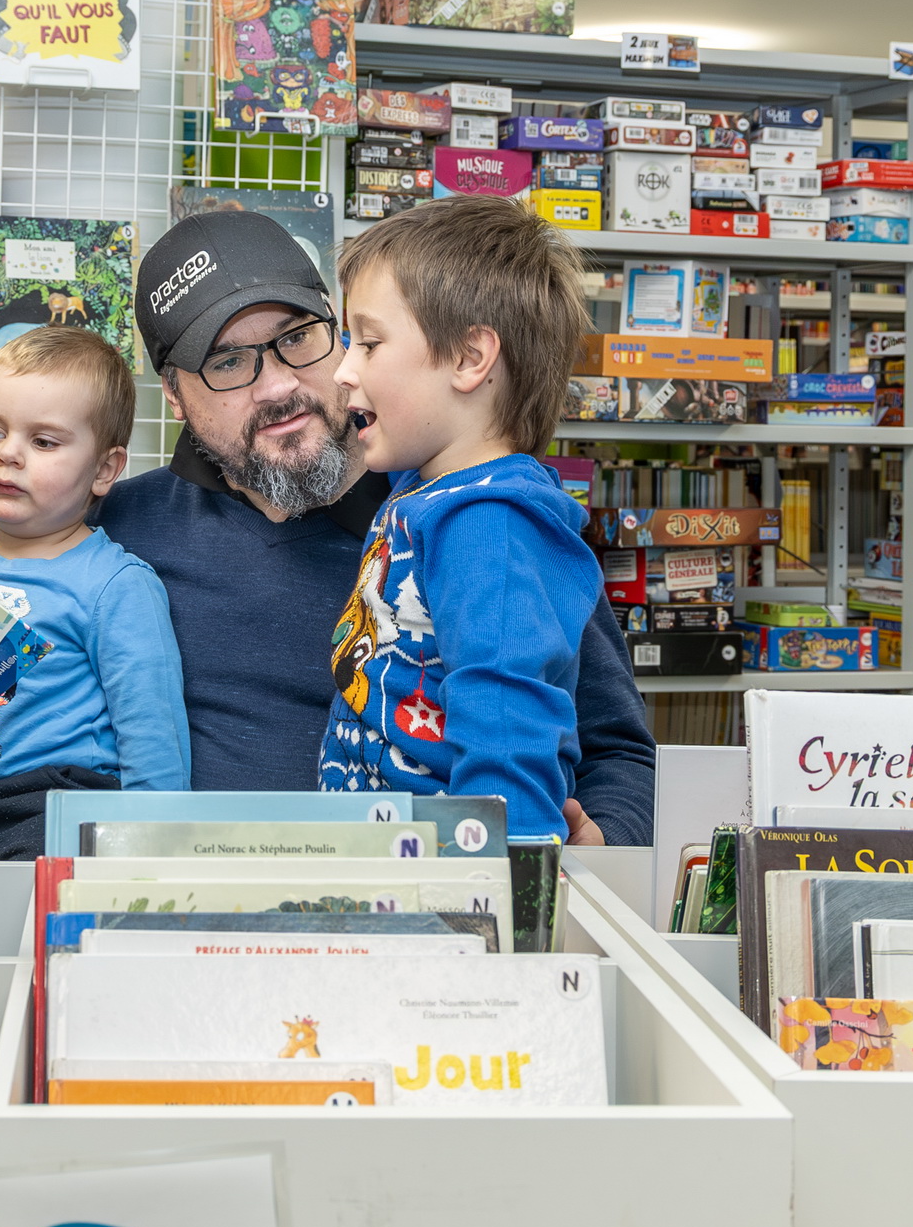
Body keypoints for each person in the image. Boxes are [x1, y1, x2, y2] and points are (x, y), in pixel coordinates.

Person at [99, 209, 653, 842]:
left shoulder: (478, 519)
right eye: (227, 363)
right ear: (173, 396)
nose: (278, 385)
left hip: (446, 908)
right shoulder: (111, 534)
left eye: (298, 337)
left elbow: (619, 755)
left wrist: (594, 849)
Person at [318, 198, 602, 840]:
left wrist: (495, 905)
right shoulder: (425, 494)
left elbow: (507, 733)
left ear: (470, 359)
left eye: (368, 342)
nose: (343, 371)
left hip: (452, 896)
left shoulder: (492, 524)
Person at [0, 327, 191, 858]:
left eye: (43, 442)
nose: (9, 454)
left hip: (54, 808)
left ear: (104, 469)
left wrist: (155, 854)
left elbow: (152, 737)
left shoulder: (115, 585)